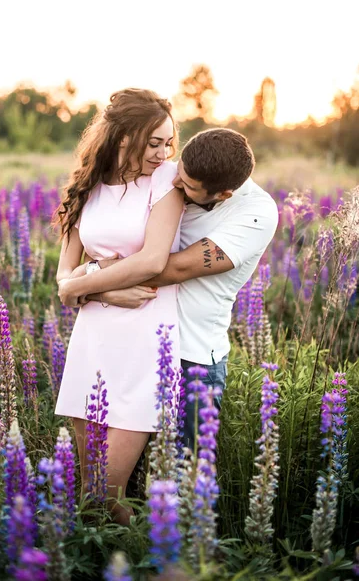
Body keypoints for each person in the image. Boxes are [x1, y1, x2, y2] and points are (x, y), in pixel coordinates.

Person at [82, 128, 279, 450]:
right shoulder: (172, 177)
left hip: (193, 359)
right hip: (135, 341)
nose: (175, 183)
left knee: (186, 479)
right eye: (180, 173)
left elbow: (169, 268)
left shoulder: (256, 213)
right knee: (120, 475)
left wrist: (89, 282)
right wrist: (88, 277)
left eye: (187, 186)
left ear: (223, 194)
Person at [53, 88, 184, 525]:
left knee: (106, 490)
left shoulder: (166, 181)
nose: (164, 152)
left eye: (169, 142)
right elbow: (63, 278)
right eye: (154, 142)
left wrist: (84, 284)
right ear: (124, 136)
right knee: (88, 497)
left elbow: (152, 260)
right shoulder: (88, 185)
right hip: (92, 341)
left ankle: (146, 563)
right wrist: (102, 289)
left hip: (146, 342)